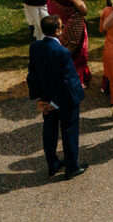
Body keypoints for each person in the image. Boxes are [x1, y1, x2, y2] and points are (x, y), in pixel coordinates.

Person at [27, 15, 87, 180]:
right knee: (69, 132)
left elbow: (32, 75)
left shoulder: (35, 48)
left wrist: (40, 100)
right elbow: (67, 80)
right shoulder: (62, 52)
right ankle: (72, 167)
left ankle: (52, 164)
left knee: (50, 131)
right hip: (65, 100)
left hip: (46, 98)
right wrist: (55, 102)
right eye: (61, 26)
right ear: (57, 30)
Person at [47, 0, 90, 86]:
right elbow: (84, 11)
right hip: (74, 28)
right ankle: (77, 79)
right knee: (79, 52)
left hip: (61, 28)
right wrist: (82, 3)